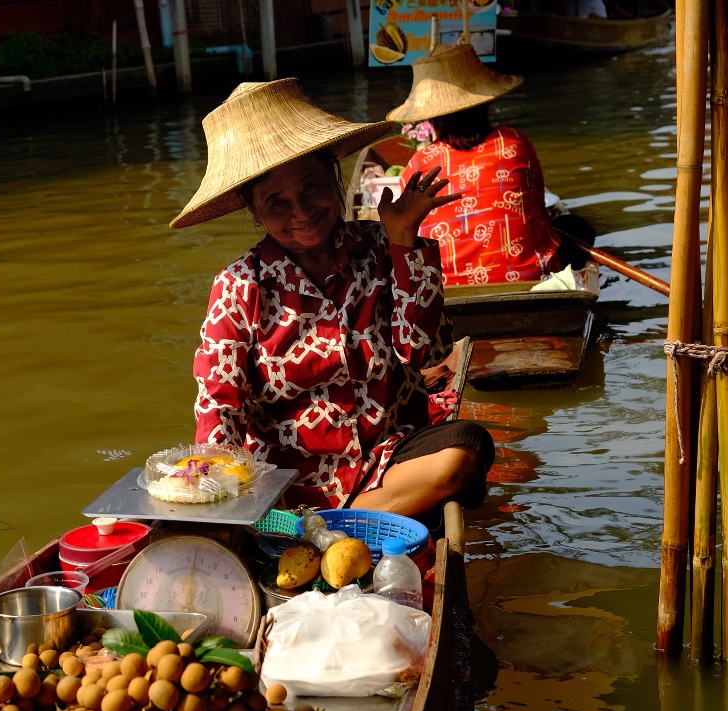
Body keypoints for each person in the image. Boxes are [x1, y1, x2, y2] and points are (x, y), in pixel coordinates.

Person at [174, 78, 494, 519]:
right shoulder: (239, 286)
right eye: (276, 203)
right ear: (253, 210)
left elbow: (426, 352)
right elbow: (219, 404)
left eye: (311, 187)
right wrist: (215, 491)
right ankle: (341, 522)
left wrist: (403, 239)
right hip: (285, 489)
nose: (301, 213)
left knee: (468, 448)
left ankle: (338, 523)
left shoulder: (383, 249)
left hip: (390, 465)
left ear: (334, 175)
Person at [391, 41, 590, 285]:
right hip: (526, 279)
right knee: (577, 228)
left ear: (434, 117)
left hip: (444, 287)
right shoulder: (514, 142)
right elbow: (536, 209)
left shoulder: (418, 163)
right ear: (485, 103)